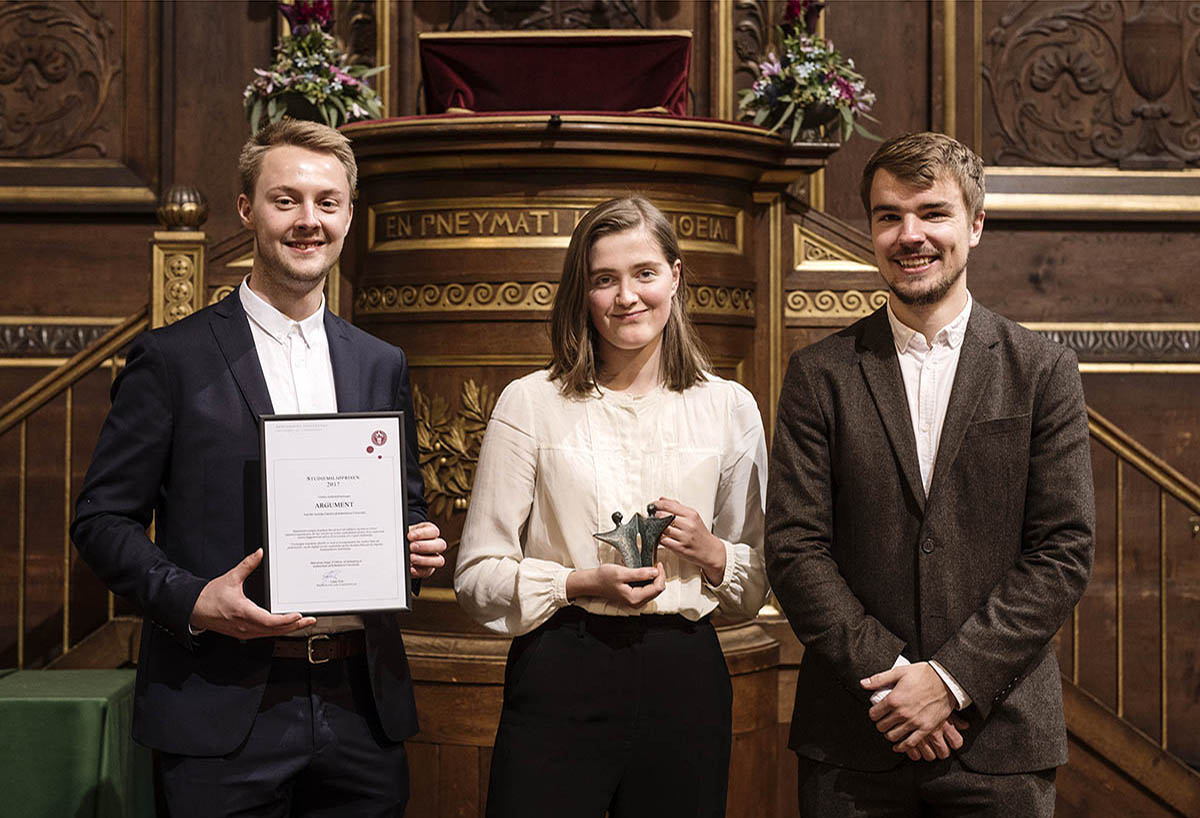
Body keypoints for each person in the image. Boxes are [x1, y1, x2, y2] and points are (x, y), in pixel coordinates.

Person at [71, 119, 447, 818]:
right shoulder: (171, 360)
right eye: (287, 200)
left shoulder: (378, 361)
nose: (309, 221)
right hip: (220, 710)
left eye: (327, 203)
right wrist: (191, 601)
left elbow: (405, 503)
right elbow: (100, 520)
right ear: (247, 209)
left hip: (360, 708)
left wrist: (412, 540)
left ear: (348, 216)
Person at [765, 131, 1095, 816]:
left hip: (999, 739)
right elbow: (796, 548)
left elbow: (1062, 552)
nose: (909, 234)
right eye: (889, 216)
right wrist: (893, 684)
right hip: (855, 736)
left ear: (974, 225)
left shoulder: (1042, 372)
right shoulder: (818, 374)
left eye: (932, 212)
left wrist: (950, 681)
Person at [454, 196, 769, 817]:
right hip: (562, 666)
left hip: (685, 676)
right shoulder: (530, 403)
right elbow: (475, 578)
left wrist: (711, 552)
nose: (627, 296)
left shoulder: (730, 406)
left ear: (675, 276)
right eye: (605, 279)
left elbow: (756, 581)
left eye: (644, 273)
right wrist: (576, 582)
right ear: (583, 291)